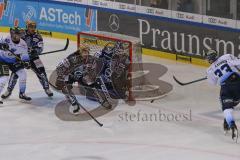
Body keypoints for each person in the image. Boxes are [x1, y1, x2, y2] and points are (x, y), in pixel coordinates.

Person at [1, 21, 53, 99]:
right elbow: (14, 42)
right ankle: (9, 90)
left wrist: (35, 51)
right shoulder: (21, 34)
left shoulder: (38, 36)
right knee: (15, 73)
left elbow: (40, 48)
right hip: (20, 57)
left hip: (33, 57)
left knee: (41, 71)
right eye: (31, 27)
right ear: (27, 27)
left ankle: (46, 88)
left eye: (34, 27)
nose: (33, 28)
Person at [55, 46, 112, 115]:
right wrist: (60, 78)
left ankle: (102, 100)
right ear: (80, 52)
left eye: (87, 52)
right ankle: (75, 104)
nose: (85, 54)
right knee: (66, 88)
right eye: (84, 52)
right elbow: (59, 67)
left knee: (91, 85)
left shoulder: (91, 59)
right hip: (69, 74)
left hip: (82, 75)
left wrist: (89, 77)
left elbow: (92, 71)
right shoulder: (72, 58)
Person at [206, 50, 239, 141]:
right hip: (237, 82)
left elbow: (213, 83)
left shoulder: (209, 70)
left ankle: (231, 124)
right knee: (235, 102)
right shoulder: (227, 56)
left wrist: (212, 75)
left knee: (227, 108)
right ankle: (227, 121)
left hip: (226, 87)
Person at [0, 27, 31, 102]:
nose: (16, 36)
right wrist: (1, 46)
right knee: (4, 78)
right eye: (15, 34)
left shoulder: (23, 44)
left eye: (19, 34)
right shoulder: (5, 39)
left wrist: (26, 63)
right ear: (12, 33)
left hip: (13, 61)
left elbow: (25, 56)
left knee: (23, 74)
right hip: (2, 60)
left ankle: (22, 93)